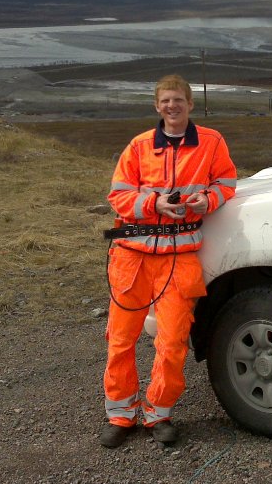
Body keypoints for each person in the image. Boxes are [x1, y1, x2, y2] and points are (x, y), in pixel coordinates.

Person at [100, 74, 237, 448]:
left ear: (190, 104)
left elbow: (226, 182)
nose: (171, 106)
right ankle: (121, 415)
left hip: (179, 258)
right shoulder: (139, 146)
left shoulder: (211, 142)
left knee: (173, 340)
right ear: (156, 106)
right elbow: (118, 195)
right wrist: (154, 204)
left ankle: (158, 413)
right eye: (165, 101)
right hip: (132, 257)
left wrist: (204, 202)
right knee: (121, 339)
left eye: (178, 100)